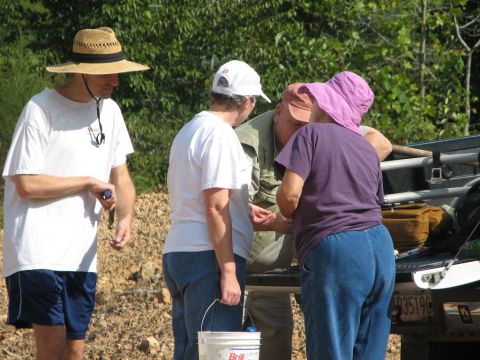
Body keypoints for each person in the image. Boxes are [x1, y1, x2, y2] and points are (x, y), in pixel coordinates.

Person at [2, 27, 149, 360]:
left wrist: (125, 216)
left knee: (75, 349)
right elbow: (25, 184)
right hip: (36, 250)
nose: (116, 80)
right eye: (108, 73)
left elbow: (120, 175)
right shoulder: (40, 109)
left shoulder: (110, 112)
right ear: (82, 72)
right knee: (52, 343)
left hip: (81, 254)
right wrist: (86, 182)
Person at [235, 82, 392, 360]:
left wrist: (289, 216)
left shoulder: (309, 136)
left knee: (331, 349)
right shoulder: (362, 144)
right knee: (368, 350)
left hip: (337, 250)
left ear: (327, 105)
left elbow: (289, 196)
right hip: (380, 247)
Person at [163, 60, 279, 360]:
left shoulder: (189, 130)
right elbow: (215, 207)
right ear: (248, 101)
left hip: (180, 250)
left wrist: (242, 207)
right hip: (209, 257)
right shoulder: (222, 135)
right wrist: (228, 270)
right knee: (216, 353)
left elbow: (199, 193)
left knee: (190, 349)